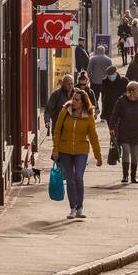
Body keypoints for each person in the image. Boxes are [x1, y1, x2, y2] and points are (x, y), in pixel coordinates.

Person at [51, 89, 103, 219]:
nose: (73, 101)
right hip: (65, 151)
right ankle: (72, 208)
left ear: (83, 102)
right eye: (73, 98)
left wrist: (98, 155)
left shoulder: (88, 114)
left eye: (77, 100)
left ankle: (80, 207)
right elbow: (57, 131)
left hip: (81, 150)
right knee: (70, 179)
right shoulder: (65, 111)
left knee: (78, 177)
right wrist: (55, 150)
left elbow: (93, 136)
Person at [98, 64, 127, 144]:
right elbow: (103, 97)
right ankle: (114, 148)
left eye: (111, 75)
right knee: (112, 131)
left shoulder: (124, 81)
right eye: (109, 75)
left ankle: (119, 144)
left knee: (121, 130)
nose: (110, 76)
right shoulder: (105, 82)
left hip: (122, 110)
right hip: (109, 110)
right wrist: (103, 112)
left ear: (116, 73)